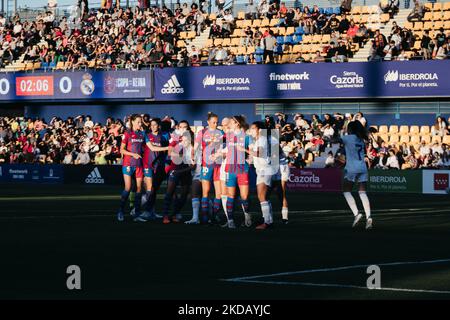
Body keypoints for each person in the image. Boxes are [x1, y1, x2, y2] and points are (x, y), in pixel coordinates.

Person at [117, 115, 168, 222]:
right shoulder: (127, 133)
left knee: (139, 189)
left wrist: (167, 147)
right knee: (128, 188)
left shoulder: (143, 134)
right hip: (128, 164)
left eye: (141, 122)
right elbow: (121, 150)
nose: (141, 124)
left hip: (139, 165)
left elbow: (152, 148)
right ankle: (120, 211)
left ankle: (136, 214)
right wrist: (133, 154)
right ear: (133, 122)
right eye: (139, 122)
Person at [134, 118, 169, 221]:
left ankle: (151, 211)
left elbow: (163, 153)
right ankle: (140, 210)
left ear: (159, 126)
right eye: (152, 125)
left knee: (153, 190)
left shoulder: (162, 137)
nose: (153, 127)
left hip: (158, 166)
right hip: (147, 165)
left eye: (155, 125)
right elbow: (151, 148)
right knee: (149, 189)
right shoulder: (146, 136)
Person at [243, 121, 276, 230]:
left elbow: (260, 153)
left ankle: (266, 222)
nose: (251, 130)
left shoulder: (261, 139)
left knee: (262, 197)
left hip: (265, 170)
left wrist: (244, 150)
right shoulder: (260, 140)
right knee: (264, 197)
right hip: (263, 169)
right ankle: (269, 220)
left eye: (253, 128)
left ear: (259, 130)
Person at [162, 121, 195, 224]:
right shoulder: (175, 137)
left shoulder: (192, 137)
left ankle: (174, 214)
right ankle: (166, 216)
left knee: (185, 194)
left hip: (186, 169)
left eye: (185, 127)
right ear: (178, 128)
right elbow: (170, 152)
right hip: (175, 169)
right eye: (181, 127)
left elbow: (194, 153)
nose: (183, 129)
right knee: (170, 193)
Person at [342, 121, 372, 230]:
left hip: (352, 168)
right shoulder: (360, 139)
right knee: (362, 192)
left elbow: (335, 140)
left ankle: (356, 214)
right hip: (362, 167)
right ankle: (369, 217)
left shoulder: (348, 138)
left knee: (346, 190)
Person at [195, 112, 224, 224]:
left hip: (218, 165)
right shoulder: (202, 132)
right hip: (206, 165)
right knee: (205, 191)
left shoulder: (220, 132)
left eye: (217, 122)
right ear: (208, 122)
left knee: (219, 193)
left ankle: (214, 215)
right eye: (213, 122)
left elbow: (222, 148)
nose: (215, 124)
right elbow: (197, 147)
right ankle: (205, 216)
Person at [222, 115, 251, 229]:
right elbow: (227, 151)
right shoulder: (228, 136)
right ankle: (230, 221)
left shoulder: (246, 137)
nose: (230, 123)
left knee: (244, 196)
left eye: (232, 122)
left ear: (237, 123)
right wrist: (219, 154)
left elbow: (252, 151)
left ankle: (247, 216)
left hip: (243, 168)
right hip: (231, 169)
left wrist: (245, 151)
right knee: (231, 195)